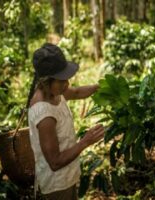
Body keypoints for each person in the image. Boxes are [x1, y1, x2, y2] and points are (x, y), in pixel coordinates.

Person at [27, 43, 105, 200]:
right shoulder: (45, 115)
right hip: (56, 186)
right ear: (45, 81)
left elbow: (76, 92)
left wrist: (99, 87)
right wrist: (85, 141)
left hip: (66, 179)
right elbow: (54, 162)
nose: (67, 84)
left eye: (67, 79)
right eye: (61, 81)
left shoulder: (54, 91)